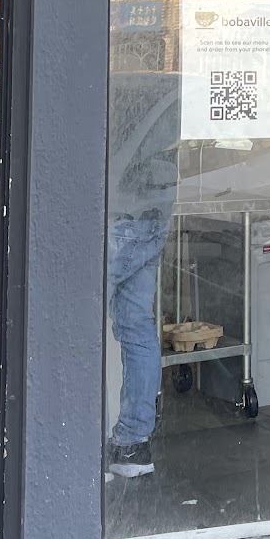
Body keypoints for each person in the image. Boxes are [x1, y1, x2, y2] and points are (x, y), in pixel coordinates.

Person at [105, 82, 179, 478]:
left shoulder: (117, 91)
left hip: (117, 215)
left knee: (79, 330)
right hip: (153, 217)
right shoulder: (163, 94)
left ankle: (80, 448)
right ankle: (132, 447)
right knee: (137, 329)